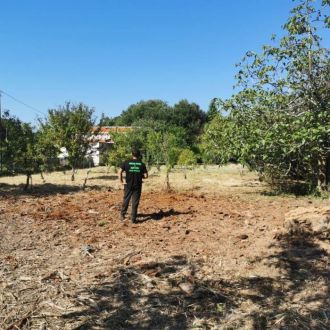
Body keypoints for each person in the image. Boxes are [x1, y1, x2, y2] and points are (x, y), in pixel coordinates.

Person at [119, 149, 148, 223]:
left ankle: (122, 215)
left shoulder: (126, 162)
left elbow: (119, 172)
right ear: (139, 155)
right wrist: (141, 176)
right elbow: (146, 175)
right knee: (135, 202)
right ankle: (133, 219)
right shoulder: (142, 164)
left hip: (128, 185)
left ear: (132, 154)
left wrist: (121, 181)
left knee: (126, 199)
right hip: (137, 186)